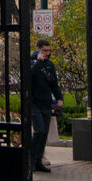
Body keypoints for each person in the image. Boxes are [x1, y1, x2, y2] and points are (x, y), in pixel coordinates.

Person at [29, 38, 63, 173]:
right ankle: (30, 159)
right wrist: (38, 61)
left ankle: (38, 160)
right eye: (44, 50)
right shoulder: (32, 63)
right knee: (39, 130)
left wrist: (59, 98)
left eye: (48, 50)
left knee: (44, 134)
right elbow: (30, 75)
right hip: (34, 103)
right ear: (37, 49)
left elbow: (53, 83)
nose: (47, 53)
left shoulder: (50, 65)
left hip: (45, 102)